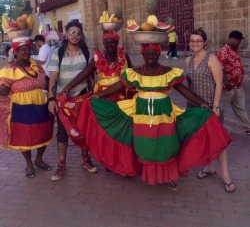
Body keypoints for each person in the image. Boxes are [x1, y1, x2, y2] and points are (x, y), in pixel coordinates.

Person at [57, 43, 232, 191]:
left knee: (166, 144)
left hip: (163, 113)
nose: (150, 56)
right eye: (147, 53)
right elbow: (119, 85)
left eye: (154, 53)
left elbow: (183, 89)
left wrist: (201, 103)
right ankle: (147, 173)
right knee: (145, 144)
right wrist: (99, 96)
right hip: (141, 112)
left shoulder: (168, 71)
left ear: (158, 55)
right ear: (143, 55)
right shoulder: (136, 72)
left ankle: (169, 176)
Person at [185, 28, 235, 193]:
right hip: (195, 106)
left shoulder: (211, 59)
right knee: (204, 138)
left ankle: (226, 176)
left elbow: (218, 85)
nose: (195, 43)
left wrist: (215, 107)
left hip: (211, 106)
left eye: (198, 41)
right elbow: (189, 85)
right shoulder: (188, 61)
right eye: (192, 41)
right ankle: (209, 167)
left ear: (205, 42)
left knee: (218, 141)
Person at [48, 21, 97, 181]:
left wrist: (94, 93)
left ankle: (85, 159)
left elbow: (90, 76)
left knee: (85, 130)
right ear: (67, 35)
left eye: (77, 33)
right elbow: (53, 77)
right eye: (71, 32)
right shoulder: (58, 52)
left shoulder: (87, 52)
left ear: (81, 35)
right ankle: (61, 164)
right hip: (64, 100)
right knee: (62, 132)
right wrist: (51, 99)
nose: (74, 36)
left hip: (84, 97)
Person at [0, 37, 53, 178]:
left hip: (42, 106)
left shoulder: (37, 66)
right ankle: (29, 164)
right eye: (24, 50)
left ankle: (39, 159)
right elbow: (3, 90)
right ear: (16, 52)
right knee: (25, 137)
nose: (28, 52)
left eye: (29, 49)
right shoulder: (9, 69)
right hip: (22, 109)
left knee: (44, 133)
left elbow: (46, 82)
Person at [62, 30, 132, 101]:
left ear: (117, 43)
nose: (109, 45)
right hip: (101, 95)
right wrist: (68, 87)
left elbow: (131, 75)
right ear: (104, 44)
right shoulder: (98, 57)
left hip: (121, 94)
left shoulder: (124, 57)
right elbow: (85, 72)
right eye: (106, 43)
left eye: (112, 42)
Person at [217, 30, 250, 136]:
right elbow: (219, 68)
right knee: (221, 109)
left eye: (239, 40)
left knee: (240, 107)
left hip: (238, 86)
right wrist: (226, 82)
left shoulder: (236, 49)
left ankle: (248, 127)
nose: (238, 42)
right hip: (227, 87)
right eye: (236, 39)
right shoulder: (223, 52)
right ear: (230, 39)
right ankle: (219, 128)